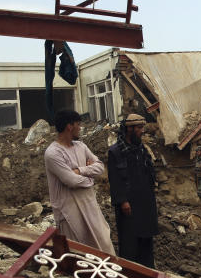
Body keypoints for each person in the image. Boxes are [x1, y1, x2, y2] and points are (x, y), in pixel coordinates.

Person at [44, 109, 114, 255]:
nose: (80, 128)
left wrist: (81, 170)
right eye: (78, 124)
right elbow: (71, 180)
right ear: (69, 126)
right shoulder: (53, 153)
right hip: (69, 211)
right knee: (78, 252)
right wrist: (90, 175)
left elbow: (100, 167)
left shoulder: (81, 146)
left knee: (103, 244)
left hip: (89, 205)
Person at [108, 114, 159, 267]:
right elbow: (114, 179)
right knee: (130, 241)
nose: (142, 131)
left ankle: (148, 272)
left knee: (146, 239)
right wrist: (122, 201)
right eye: (139, 128)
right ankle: (131, 274)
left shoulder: (141, 149)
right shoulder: (115, 152)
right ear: (129, 129)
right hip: (128, 204)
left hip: (145, 201)